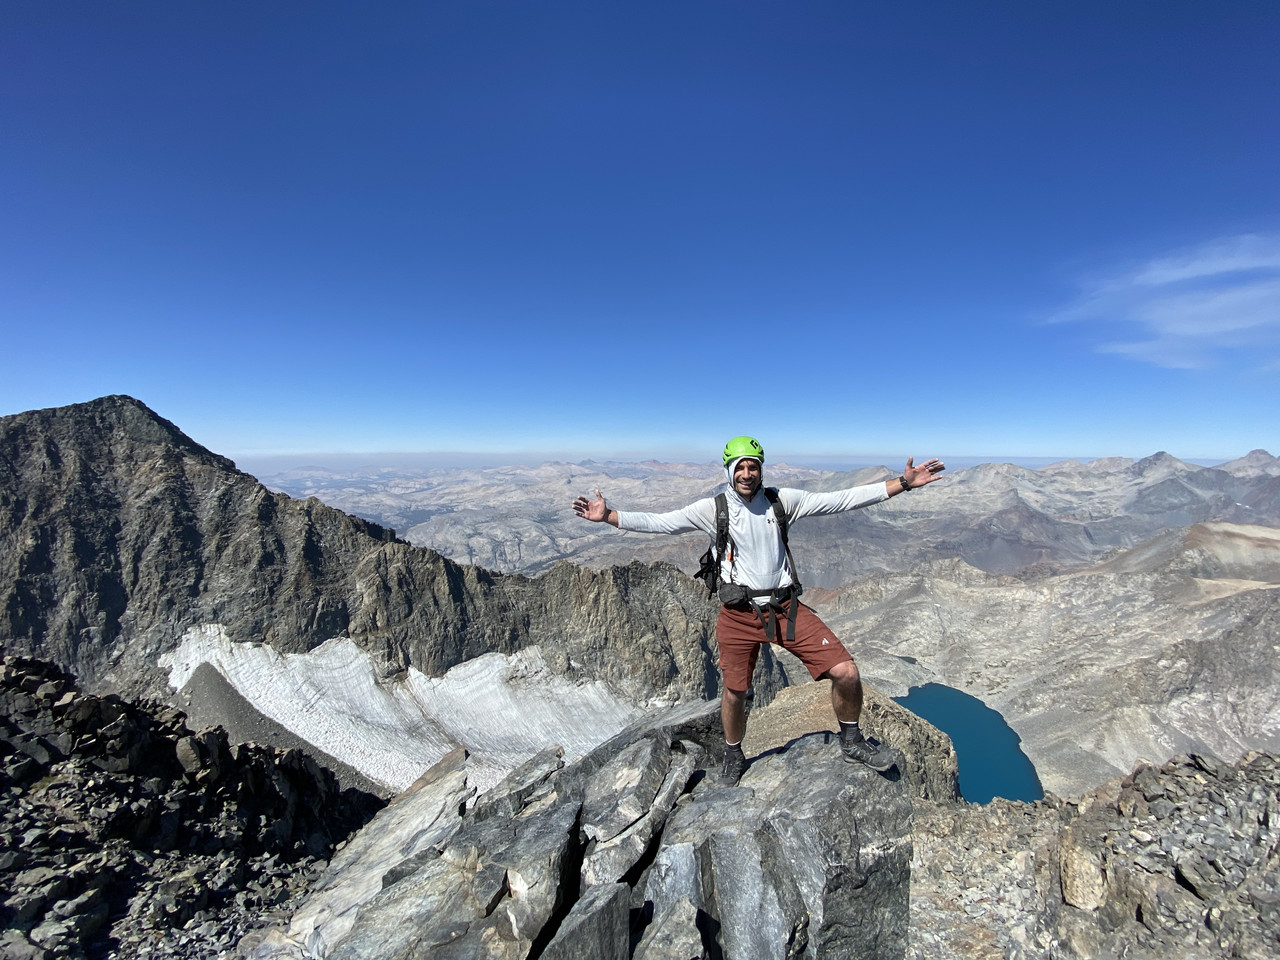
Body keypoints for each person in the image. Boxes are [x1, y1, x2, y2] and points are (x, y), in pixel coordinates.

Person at [572, 435, 945, 784]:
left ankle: (851, 740)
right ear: (728, 471)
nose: (746, 473)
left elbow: (841, 499)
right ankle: (734, 754)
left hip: (786, 610)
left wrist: (903, 483)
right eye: (739, 467)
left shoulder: (782, 502)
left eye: (753, 466)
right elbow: (662, 523)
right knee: (735, 692)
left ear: (761, 470)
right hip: (737, 614)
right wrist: (609, 516)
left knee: (846, 672)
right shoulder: (713, 509)